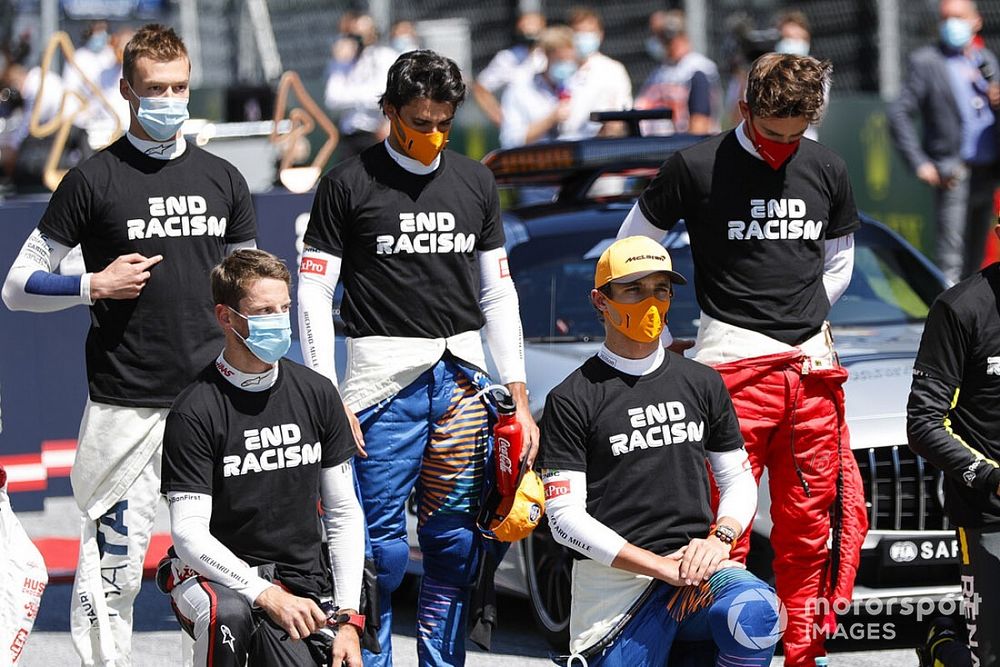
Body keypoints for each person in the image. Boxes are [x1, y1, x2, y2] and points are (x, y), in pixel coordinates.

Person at [1, 24, 257, 666]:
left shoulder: (225, 177)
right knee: (113, 568)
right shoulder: (92, 180)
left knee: (230, 566)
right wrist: (93, 283)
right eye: (155, 89)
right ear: (126, 90)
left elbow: (255, 288)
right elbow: (16, 286)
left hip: (216, 400)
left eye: (180, 87)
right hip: (127, 404)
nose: (170, 99)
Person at [617, 53, 868, 666]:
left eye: (795, 135)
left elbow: (839, 262)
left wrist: (798, 317)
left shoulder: (827, 167)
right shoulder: (696, 165)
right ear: (744, 110)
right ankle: (722, 653)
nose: (784, 146)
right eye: (771, 133)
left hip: (811, 366)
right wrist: (654, 329)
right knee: (715, 527)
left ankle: (804, 654)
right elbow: (632, 247)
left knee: (812, 530)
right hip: (727, 364)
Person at [297, 49, 536, 666]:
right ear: (388, 111)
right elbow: (315, 291)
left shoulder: (476, 180)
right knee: (377, 551)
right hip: (379, 386)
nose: (431, 134)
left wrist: (519, 391)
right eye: (418, 122)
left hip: (463, 384)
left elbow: (497, 291)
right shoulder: (347, 182)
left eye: (443, 123)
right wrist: (327, 394)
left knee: (456, 545)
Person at [537, 236, 777, 664]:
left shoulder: (701, 381)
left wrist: (720, 540)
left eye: (660, 289)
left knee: (757, 611)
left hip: (695, 575)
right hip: (616, 593)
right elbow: (563, 520)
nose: (650, 302)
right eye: (633, 289)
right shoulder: (571, 397)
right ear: (600, 301)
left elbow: (738, 479)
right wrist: (658, 566)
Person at [159, 249, 363, 666]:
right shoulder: (194, 409)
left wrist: (347, 620)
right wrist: (263, 593)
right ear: (226, 316)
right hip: (214, 578)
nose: (278, 320)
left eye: (284, 308)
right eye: (264, 310)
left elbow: (342, 511)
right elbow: (189, 535)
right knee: (228, 616)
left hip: (298, 582)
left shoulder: (318, 393)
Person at [907, 223, 1000, 667]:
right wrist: (989, 477)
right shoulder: (962, 308)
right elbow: (924, 423)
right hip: (990, 513)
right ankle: (943, 646)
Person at [888, 0, 1000, 284]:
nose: (951, 24)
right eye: (945, 18)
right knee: (951, 257)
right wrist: (921, 163)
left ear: (976, 21)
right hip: (953, 172)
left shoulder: (985, 58)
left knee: (977, 256)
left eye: (958, 17)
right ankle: (948, 319)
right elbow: (899, 113)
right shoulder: (927, 61)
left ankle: (974, 320)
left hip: (987, 171)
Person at [324, 11, 399, 159]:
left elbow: (382, 95)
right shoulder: (342, 61)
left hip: (377, 133)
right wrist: (363, 96)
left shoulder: (386, 57)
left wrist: (350, 94)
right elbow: (332, 98)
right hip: (349, 134)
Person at [635, 9, 721, 136]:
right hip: (657, 147)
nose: (659, 42)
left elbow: (700, 122)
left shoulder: (698, 68)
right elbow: (639, 108)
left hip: (685, 146)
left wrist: (690, 154)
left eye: (663, 38)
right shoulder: (659, 72)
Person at [472, 11, 546, 128]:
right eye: (525, 26)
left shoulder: (548, 56)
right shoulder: (507, 58)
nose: (529, 30)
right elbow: (480, 88)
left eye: (534, 25)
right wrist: (498, 117)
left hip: (547, 125)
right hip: (520, 127)